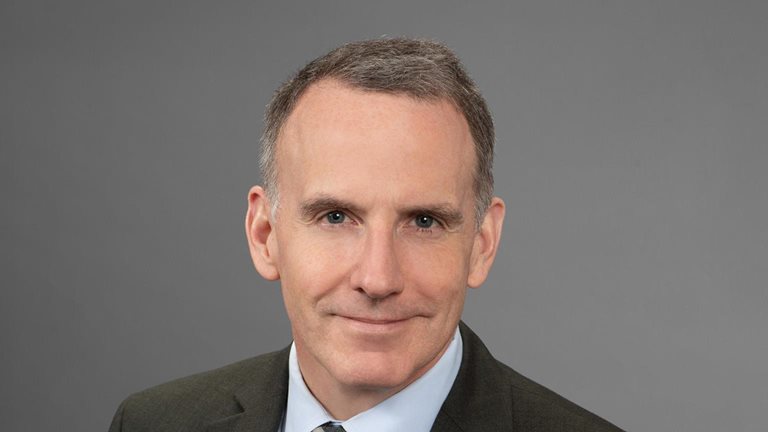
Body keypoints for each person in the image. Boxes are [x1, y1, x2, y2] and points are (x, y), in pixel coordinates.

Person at [109, 38, 623, 432]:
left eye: (424, 222)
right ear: (265, 234)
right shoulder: (153, 422)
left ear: (482, 244)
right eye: (335, 217)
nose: (378, 278)